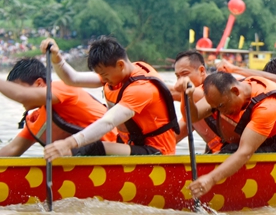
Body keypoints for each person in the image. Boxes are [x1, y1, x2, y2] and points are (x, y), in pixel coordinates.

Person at [40, 36, 179, 160]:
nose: (103, 79)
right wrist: (56, 57)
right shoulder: (117, 74)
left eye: (105, 75)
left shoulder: (141, 88)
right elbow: (73, 79)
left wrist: (67, 143)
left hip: (157, 153)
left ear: (120, 65)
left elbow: (108, 122)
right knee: (83, 144)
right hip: (131, 145)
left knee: (93, 147)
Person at [184, 72, 276, 198]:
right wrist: (189, 98)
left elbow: (244, 152)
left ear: (235, 91)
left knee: (231, 151)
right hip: (266, 140)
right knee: (228, 149)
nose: (220, 112)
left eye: (221, 106)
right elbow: (193, 117)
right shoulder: (221, 95)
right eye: (215, 107)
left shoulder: (267, 106)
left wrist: (210, 179)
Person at [0, 58, 117, 157]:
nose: (17, 97)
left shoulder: (62, 88)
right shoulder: (39, 117)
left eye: (19, 88)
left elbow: (21, 95)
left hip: (117, 152)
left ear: (39, 84)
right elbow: (12, 149)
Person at [174, 50, 223, 153]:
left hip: (233, 151)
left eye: (185, 74)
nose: (180, 81)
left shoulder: (216, 88)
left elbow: (171, 92)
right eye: (178, 76)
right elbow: (171, 139)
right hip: (216, 153)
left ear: (202, 71)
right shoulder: (192, 106)